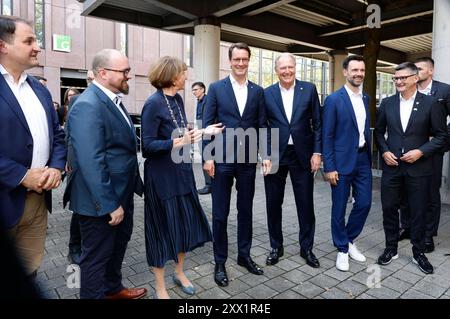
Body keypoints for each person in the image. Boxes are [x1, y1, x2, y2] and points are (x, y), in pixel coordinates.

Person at [63, 49, 146, 299]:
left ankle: (113, 289)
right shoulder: (89, 104)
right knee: (95, 259)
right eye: (124, 71)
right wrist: (110, 204)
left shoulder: (112, 100)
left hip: (120, 193)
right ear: (103, 73)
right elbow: (91, 161)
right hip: (100, 202)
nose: (128, 76)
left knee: (116, 247)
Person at [141, 56, 223, 299]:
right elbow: (147, 146)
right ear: (172, 75)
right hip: (161, 179)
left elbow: (180, 129)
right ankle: (160, 287)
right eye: (184, 73)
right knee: (161, 232)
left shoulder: (176, 99)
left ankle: (179, 272)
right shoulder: (153, 103)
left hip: (182, 173)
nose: (187, 77)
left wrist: (204, 131)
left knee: (184, 227)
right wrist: (178, 141)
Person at [0, 16, 66, 277]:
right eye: (29, 41)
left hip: (37, 202)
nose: (37, 47)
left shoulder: (39, 89)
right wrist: (22, 176)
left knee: (30, 272)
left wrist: (57, 168)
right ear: (3, 46)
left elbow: (58, 136)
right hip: (5, 199)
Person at [203, 42, 271, 287]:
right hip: (221, 160)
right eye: (236, 59)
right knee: (220, 213)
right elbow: (208, 124)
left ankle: (244, 255)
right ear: (229, 61)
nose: (241, 63)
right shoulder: (216, 88)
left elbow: (262, 125)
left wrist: (266, 155)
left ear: (248, 61)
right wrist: (207, 157)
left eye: (244, 59)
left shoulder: (257, 91)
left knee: (246, 210)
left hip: (247, 161)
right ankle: (219, 261)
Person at [375, 62, 447, 275]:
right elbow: (379, 133)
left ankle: (418, 252)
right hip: (392, 167)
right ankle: (391, 248)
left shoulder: (432, 104)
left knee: (418, 211)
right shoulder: (387, 104)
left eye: (403, 78)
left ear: (415, 78)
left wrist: (421, 152)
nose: (398, 81)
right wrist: (385, 151)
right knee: (389, 208)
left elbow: (442, 136)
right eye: (395, 78)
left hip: (419, 168)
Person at [263, 53, 321, 268]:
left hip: (302, 155)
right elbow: (263, 126)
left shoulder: (309, 89)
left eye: (290, 67)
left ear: (295, 67)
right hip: (276, 156)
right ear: (276, 70)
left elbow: (318, 123)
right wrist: (265, 155)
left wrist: (317, 153)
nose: (287, 71)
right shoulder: (266, 93)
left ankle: (306, 248)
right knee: (272, 203)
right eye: (282, 68)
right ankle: (276, 246)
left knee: (305, 203)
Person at [322, 55, 372, 272]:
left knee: (364, 203)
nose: (359, 74)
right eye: (354, 70)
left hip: (362, 159)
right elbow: (327, 135)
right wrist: (329, 166)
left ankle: (349, 239)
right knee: (339, 207)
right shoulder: (334, 99)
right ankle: (342, 249)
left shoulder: (366, 98)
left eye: (361, 70)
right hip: (340, 162)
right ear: (345, 72)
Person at [398, 57, 450, 252]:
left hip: (432, 152)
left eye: (419, 69)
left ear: (430, 72)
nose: (415, 71)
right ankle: (408, 227)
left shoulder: (444, 91)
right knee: (405, 190)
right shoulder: (406, 89)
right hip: (406, 150)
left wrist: (442, 139)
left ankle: (428, 235)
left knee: (430, 194)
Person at [65, 70, 95, 265]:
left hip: (96, 165)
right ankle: (74, 247)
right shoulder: (77, 100)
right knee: (79, 207)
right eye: (90, 79)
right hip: (77, 164)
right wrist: (69, 160)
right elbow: (69, 132)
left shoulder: (109, 100)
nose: (93, 81)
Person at [192, 81, 212, 195]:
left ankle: (209, 185)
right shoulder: (199, 101)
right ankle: (210, 184)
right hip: (202, 134)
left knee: (207, 158)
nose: (194, 92)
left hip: (208, 134)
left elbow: (208, 119)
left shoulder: (208, 101)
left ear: (202, 90)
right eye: (193, 90)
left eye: (196, 89)